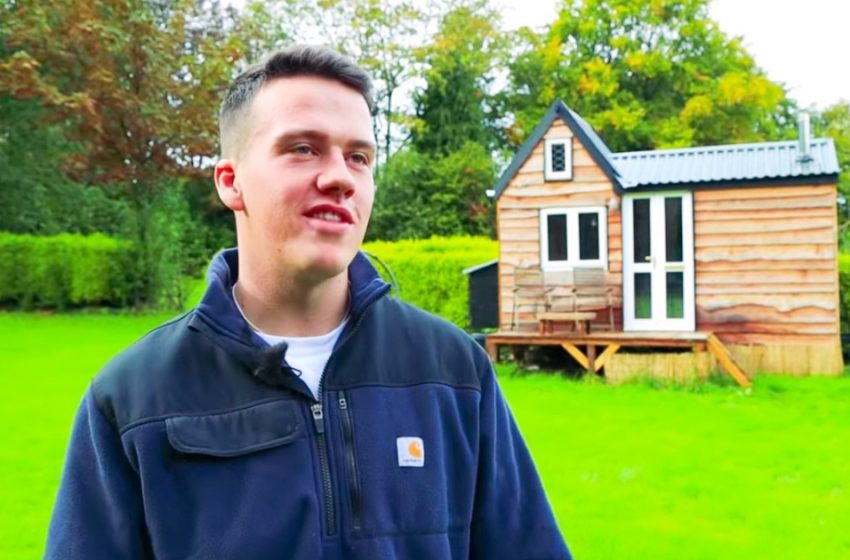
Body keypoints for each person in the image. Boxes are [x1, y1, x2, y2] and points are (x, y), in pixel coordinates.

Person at [44, 45, 571, 559]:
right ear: (231, 182)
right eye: (303, 148)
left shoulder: (452, 370)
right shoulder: (134, 398)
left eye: (359, 157)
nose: (340, 176)